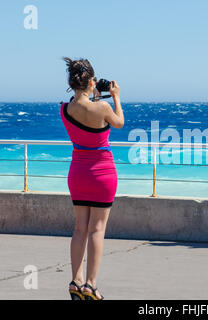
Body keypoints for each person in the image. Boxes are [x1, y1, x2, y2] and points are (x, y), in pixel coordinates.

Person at [60, 57, 124, 299]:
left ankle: (75, 282)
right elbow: (118, 123)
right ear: (90, 82)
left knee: (79, 229)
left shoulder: (64, 109)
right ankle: (91, 285)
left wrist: (90, 93)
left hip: (77, 172)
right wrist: (115, 96)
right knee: (97, 230)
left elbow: (82, 111)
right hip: (102, 173)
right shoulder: (103, 107)